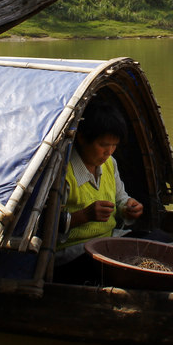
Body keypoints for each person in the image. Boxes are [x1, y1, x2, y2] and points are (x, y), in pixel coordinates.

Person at [54, 101, 144, 278]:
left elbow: (120, 198)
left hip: (108, 240)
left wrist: (128, 207)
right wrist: (84, 216)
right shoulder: (64, 173)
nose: (109, 152)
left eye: (114, 145)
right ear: (82, 138)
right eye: (103, 145)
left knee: (158, 240)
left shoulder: (110, 164)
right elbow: (44, 225)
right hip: (72, 253)